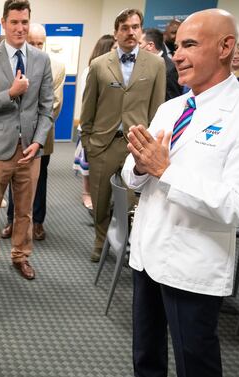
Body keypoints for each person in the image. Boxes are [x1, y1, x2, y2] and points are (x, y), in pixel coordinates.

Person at [103, 9, 239, 377]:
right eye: (176, 45)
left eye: (189, 45)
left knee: (194, 352)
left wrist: (165, 168)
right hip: (150, 247)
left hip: (195, 260)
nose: (176, 55)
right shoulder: (172, 107)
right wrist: (140, 167)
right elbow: (132, 175)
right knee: (145, 336)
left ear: (225, 48)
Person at [0, 0, 54, 282]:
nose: (20, 28)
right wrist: (11, 92)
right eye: (14, 22)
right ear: (3, 23)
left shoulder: (42, 60)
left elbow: (47, 107)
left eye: (24, 22)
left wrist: (39, 142)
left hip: (29, 151)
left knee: (24, 211)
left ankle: (20, 255)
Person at [80, 8, 165, 263]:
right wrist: (88, 142)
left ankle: (127, 245)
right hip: (102, 144)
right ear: (116, 32)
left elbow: (157, 108)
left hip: (136, 145)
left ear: (141, 31)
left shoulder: (156, 64)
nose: (131, 32)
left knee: (129, 203)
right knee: (100, 199)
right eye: (125, 27)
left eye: (135, 27)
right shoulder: (98, 65)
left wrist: (150, 144)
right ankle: (100, 241)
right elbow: (88, 107)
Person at [2, 22, 65, 242]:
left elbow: (54, 104)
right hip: (14, 134)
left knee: (39, 179)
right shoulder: (13, 63)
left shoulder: (55, 66)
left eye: (40, 43)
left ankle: (37, 222)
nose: (36, 47)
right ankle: (11, 220)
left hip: (41, 135)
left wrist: (36, 132)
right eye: (32, 42)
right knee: (13, 177)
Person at [75, 34, 115, 211]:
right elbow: (89, 101)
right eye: (114, 49)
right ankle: (87, 193)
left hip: (109, 127)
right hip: (92, 125)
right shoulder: (91, 70)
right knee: (88, 163)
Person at [140, 28, 182, 101]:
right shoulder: (144, 65)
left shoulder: (169, 70)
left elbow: (172, 101)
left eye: (139, 43)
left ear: (150, 45)